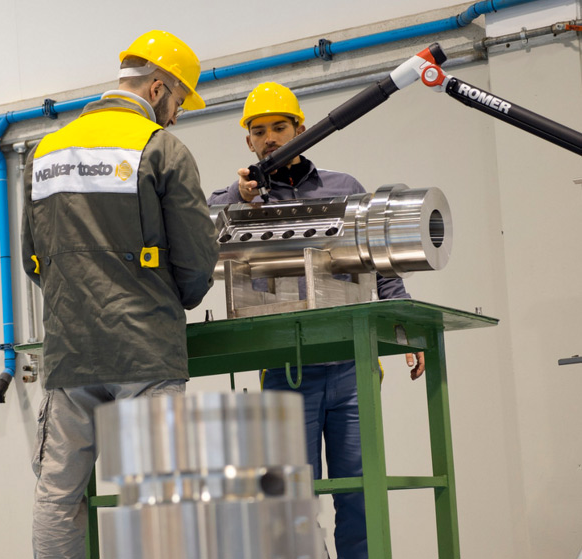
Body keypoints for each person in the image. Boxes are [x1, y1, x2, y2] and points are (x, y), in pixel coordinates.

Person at [21, 30, 219, 559]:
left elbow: (33, 258)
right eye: (178, 101)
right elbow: (196, 259)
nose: (176, 115)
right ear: (157, 89)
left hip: (69, 351)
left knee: (58, 494)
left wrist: (77, 300)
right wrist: (172, 298)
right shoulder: (161, 148)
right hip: (145, 349)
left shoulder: (43, 152)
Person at [207, 82, 424, 559]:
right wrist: (237, 194)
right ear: (248, 141)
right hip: (285, 367)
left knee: (360, 491)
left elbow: (380, 262)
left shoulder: (343, 188)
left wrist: (405, 326)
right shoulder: (242, 199)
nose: (269, 138)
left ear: (301, 129)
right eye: (258, 131)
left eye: (279, 127)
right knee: (289, 503)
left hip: (352, 364)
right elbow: (200, 226)